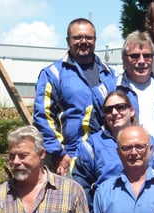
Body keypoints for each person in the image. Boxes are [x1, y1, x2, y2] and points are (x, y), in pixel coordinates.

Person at [33, 18, 116, 176]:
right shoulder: (53, 74)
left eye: (88, 37)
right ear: (68, 40)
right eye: (77, 37)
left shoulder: (109, 74)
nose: (83, 41)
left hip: (104, 155)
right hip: (68, 159)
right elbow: (43, 117)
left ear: (95, 40)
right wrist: (58, 153)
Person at [72, 90, 154, 212]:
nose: (114, 113)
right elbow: (81, 186)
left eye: (120, 107)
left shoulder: (152, 144)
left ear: (132, 111)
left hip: (148, 212)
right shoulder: (91, 147)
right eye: (108, 110)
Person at [95, 30, 154, 142]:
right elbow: (97, 133)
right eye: (135, 56)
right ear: (124, 59)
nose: (142, 61)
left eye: (147, 56)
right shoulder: (106, 91)